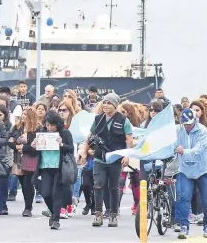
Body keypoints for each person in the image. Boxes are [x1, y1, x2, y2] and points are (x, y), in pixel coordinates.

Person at [80, 93, 132, 227]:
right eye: (104, 102)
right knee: (98, 185)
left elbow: (129, 140)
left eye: (109, 103)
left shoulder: (123, 120)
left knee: (114, 187)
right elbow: (89, 137)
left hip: (115, 159)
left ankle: (113, 215)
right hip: (100, 158)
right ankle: (98, 214)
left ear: (115, 105)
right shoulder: (98, 119)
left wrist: (127, 155)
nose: (106, 105)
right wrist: (84, 153)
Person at [175, 108, 207, 239]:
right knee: (183, 197)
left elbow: (200, 148)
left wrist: (183, 151)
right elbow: (170, 144)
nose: (187, 126)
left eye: (189, 124)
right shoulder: (177, 130)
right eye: (185, 124)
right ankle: (184, 226)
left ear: (195, 121)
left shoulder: (203, 131)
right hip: (185, 170)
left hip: (203, 170)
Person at [33, 111, 74, 229]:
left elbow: (70, 148)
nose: (49, 127)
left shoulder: (65, 133)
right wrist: (35, 145)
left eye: (52, 125)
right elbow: (36, 151)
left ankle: (56, 219)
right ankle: (54, 213)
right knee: (45, 193)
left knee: (56, 193)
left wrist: (62, 144)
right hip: (45, 167)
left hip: (59, 167)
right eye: (47, 125)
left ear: (57, 124)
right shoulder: (42, 133)